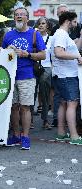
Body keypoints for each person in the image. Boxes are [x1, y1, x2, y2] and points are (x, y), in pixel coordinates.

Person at [2, 7, 46, 150]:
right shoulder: (8, 35)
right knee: (13, 107)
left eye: (22, 15)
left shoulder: (34, 34)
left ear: (27, 18)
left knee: (25, 108)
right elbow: (2, 56)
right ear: (14, 18)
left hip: (27, 76)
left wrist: (27, 54)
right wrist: (6, 51)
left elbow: (43, 55)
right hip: (11, 76)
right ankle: (15, 135)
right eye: (17, 15)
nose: (19, 17)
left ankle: (25, 137)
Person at [51, 11, 82, 145]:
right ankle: (74, 136)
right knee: (72, 103)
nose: (76, 24)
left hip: (63, 74)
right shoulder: (61, 34)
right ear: (68, 21)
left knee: (64, 103)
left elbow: (69, 50)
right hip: (66, 75)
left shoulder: (62, 34)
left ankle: (61, 133)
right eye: (74, 21)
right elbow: (59, 53)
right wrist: (77, 56)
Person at [35, 17, 53, 130]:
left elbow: (54, 56)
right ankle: (30, 120)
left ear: (47, 26)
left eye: (43, 23)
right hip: (33, 67)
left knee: (45, 94)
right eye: (39, 23)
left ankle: (45, 120)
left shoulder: (51, 39)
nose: (41, 25)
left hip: (46, 68)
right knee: (32, 94)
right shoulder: (33, 37)